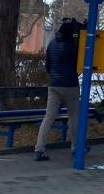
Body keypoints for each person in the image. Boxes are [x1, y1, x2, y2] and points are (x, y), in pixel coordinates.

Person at [35, 18, 81, 161]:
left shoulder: (52, 44)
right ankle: (76, 147)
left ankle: (39, 149)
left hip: (54, 85)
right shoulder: (73, 47)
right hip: (70, 85)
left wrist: (55, 76)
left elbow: (48, 66)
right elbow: (78, 66)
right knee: (74, 117)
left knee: (48, 117)